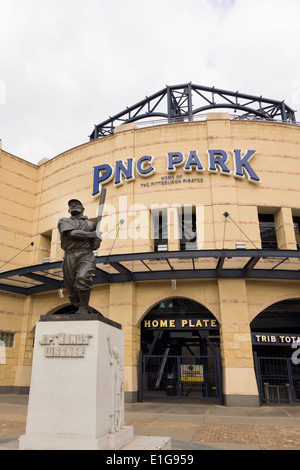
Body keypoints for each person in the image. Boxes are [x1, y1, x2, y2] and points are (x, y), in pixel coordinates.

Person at [57, 199, 101, 314]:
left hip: (86, 254)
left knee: (82, 277)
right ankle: (81, 305)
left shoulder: (91, 224)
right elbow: (73, 234)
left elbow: (94, 245)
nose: (73, 206)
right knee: (72, 287)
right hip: (70, 255)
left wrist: (96, 241)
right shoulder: (63, 221)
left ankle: (83, 308)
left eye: (76, 204)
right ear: (68, 210)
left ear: (82, 209)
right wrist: (92, 235)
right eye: (71, 205)